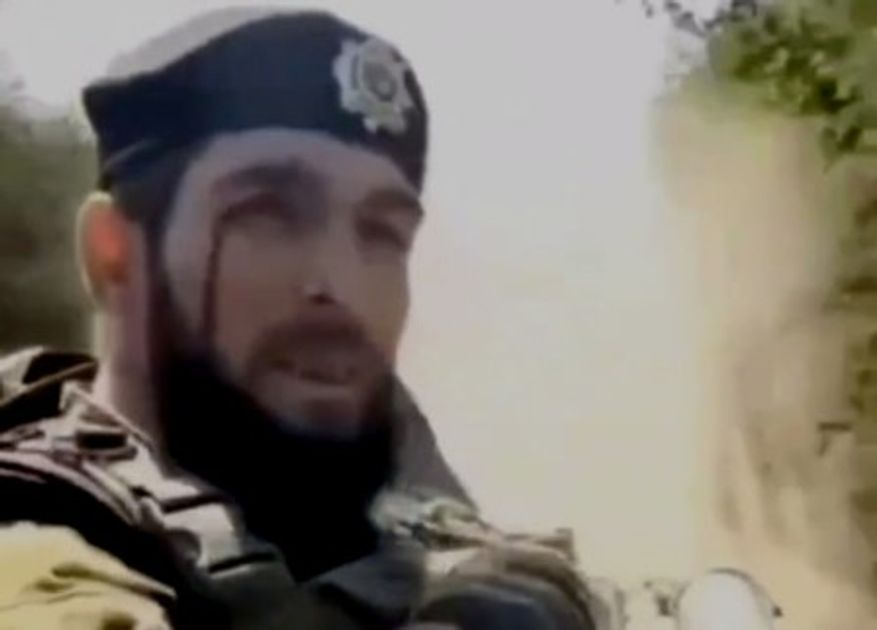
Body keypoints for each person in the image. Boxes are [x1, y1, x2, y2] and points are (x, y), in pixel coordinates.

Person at [0, 8, 598, 629]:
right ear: (114, 253)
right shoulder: (35, 549)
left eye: (382, 233)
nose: (341, 286)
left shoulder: (402, 505)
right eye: (268, 215)